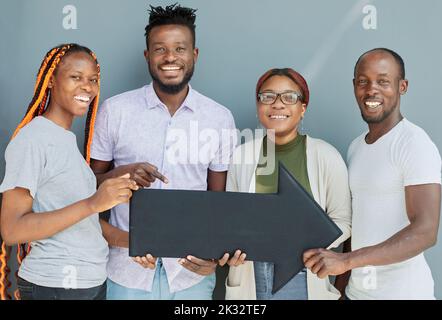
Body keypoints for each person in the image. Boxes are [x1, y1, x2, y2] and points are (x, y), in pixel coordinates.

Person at [90, 4, 236, 300]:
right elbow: (89, 187)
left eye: (180, 49)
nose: (170, 57)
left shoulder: (219, 118)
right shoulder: (114, 111)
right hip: (125, 272)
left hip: (190, 277)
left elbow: (218, 203)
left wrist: (212, 252)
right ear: (147, 56)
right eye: (160, 49)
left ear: (194, 55)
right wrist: (122, 173)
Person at [0, 43, 138, 300]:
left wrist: (139, 243)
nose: (88, 87)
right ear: (51, 80)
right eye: (76, 77)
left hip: (90, 283)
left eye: (93, 80)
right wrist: (94, 202)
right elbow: (12, 229)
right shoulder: (32, 139)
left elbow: (86, 223)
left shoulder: (66, 140)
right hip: (55, 285)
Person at [303, 48, 441, 299]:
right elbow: (358, 226)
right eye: (363, 81)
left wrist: (346, 261)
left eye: (383, 81)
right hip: (358, 294)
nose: (371, 90)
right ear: (354, 86)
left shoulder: (414, 143)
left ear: (403, 86)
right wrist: (343, 288)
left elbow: (425, 231)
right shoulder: (356, 146)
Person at [222, 68, 352, 300]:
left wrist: (307, 245)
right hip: (251, 275)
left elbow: (343, 221)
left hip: (304, 272)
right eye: (268, 96)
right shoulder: (242, 156)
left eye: (289, 97)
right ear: (258, 106)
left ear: (303, 108)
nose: (278, 104)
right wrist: (232, 248)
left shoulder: (326, 156)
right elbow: (230, 219)